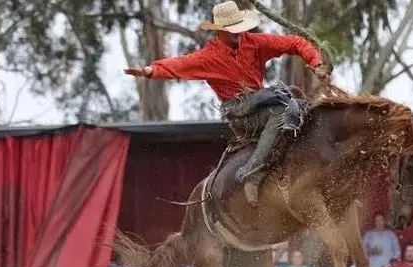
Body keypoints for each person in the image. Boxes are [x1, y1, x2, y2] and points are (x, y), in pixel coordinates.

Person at [124, 1, 329, 207]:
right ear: (220, 31)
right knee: (280, 112)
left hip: (260, 103)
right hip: (240, 115)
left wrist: (316, 64)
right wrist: (150, 71)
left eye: (239, 27)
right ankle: (252, 173)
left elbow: (294, 42)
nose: (238, 33)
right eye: (232, 30)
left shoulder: (255, 43)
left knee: (300, 108)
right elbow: (178, 65)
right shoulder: (208, 57)